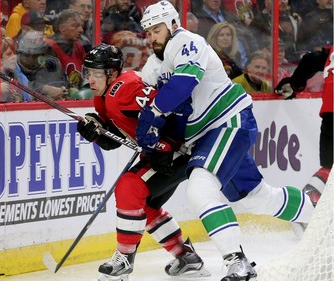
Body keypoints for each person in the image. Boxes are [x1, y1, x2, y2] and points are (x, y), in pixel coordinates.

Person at [135, 2, 315, 280]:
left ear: (172, 24)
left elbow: (184, 82)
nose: (152, 37)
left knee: (200, 187)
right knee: (256, 198)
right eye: (148, 32)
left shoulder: (187, 41)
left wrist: (157, 111)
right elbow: (145, 102)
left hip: (227, 122)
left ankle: (238, 262)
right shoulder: (152, 66)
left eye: (157, 29)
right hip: (205, 136)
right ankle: (320, 217)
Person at [76, 43, 209, 280]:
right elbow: (115, 140)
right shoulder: (103, 96)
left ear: (112, 73)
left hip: (181, 149)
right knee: (142, 206)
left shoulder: (125, 88)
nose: (91, 79)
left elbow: (172, 107)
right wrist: (98, 131)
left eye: (97, 74)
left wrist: (165, 145)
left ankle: (124, 258)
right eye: (88, 73)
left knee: (130, 186)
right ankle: (185, 257)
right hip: (166, 151)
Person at [275, 46, 333, 207]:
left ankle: (304, 209)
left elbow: (310, 59)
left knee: (329, 167)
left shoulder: (331, 51)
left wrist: (294, 84)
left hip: (330, 114)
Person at [45, 9, 86, 94]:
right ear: (62, 28)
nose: (81, 30)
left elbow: (87, 73)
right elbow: (52, 83)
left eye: (81, 26)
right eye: (75, 26)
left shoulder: (78, 46)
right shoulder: (49, 47)